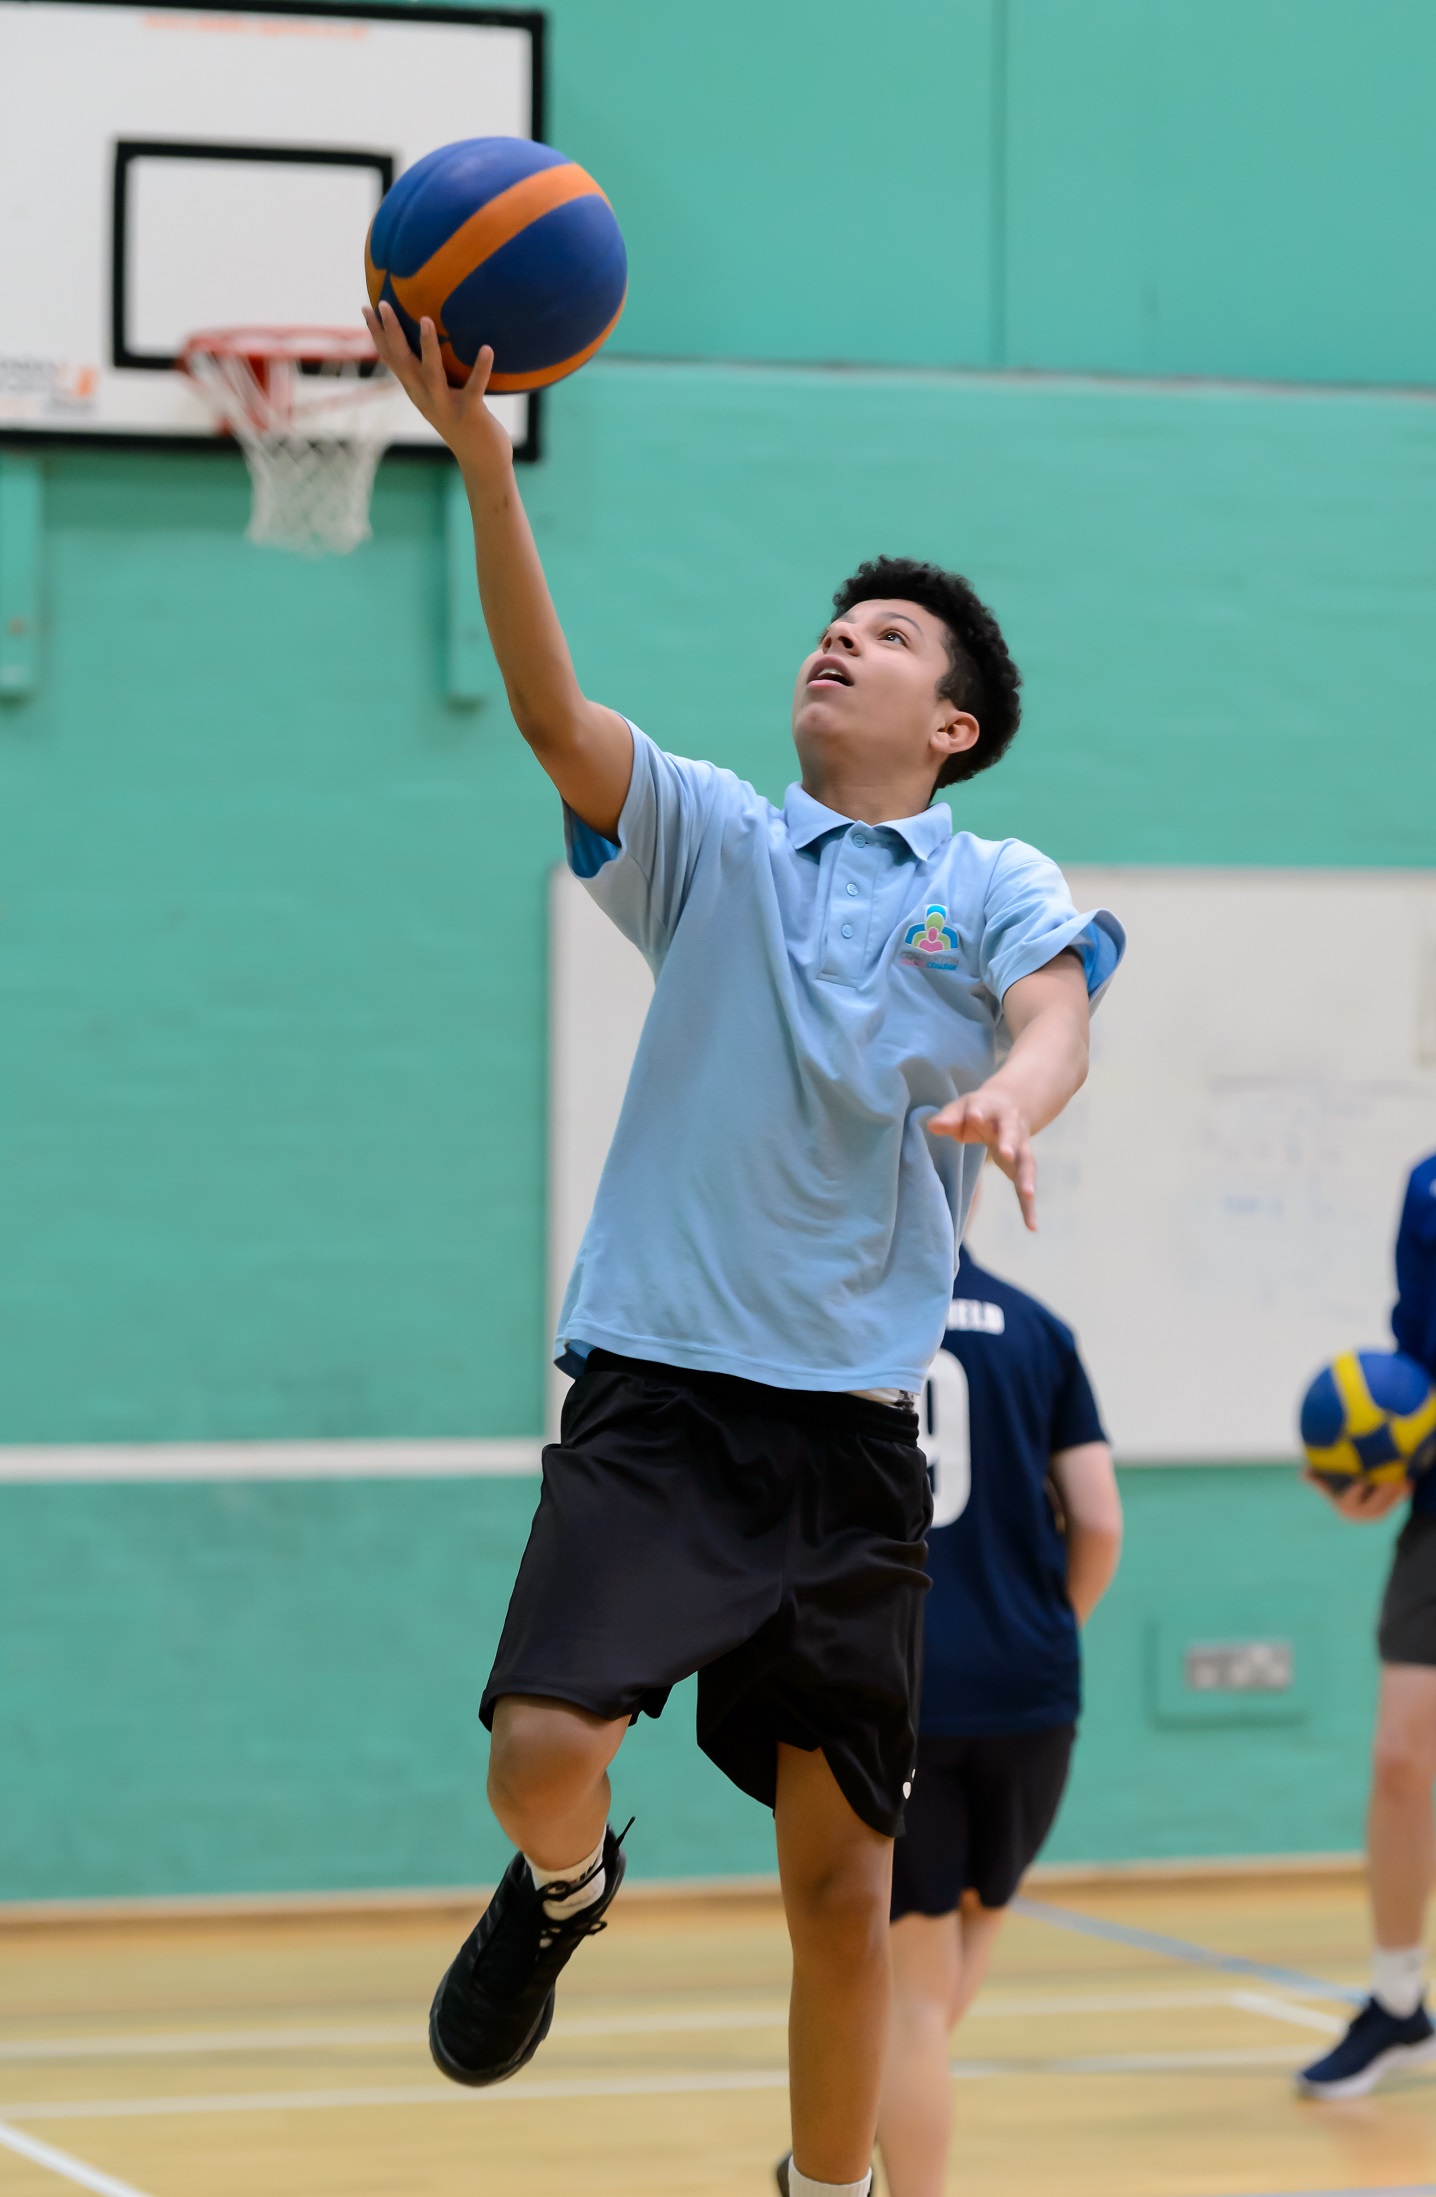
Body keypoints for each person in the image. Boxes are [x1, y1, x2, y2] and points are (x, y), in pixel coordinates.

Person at [363, 303, 1125, 2197]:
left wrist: (1027, 1089)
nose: (835, 642)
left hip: (850, 1440)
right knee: (541, 1739)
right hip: (663, 1395)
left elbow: (1056, 1008)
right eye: (830, 623)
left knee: (844, 1881)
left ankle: (823, 2187)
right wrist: (478, 455)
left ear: (947, 724)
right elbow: (549, 712)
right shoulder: (706, 838)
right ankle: (563, 1883)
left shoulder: (989, 879)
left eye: (881, 640)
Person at [876, 1213, 1122, 2196]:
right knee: (975, 1920)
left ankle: (877, 2136)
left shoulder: (846, 1324)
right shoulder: (1036, 1328)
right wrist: (1049, 1627)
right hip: (1030, 1689)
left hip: (901, 1691)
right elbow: (1098, 1517)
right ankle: (882, 2109)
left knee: (910, 2000)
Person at [1298, 1152, 1436, 2099]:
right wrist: (1387, 1461)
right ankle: (1398, 2003)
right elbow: (1417, 1351)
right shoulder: (1428, 1186)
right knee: (1400, 1755)